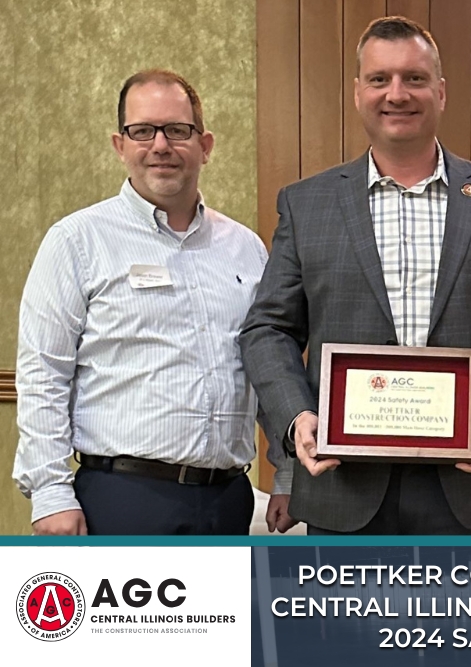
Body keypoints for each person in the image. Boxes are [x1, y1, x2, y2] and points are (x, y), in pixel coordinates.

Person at [240, 16, 471, 535]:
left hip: (469, 486)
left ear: (440, 92)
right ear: (357, 92)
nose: (397, 94)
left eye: (414, 78)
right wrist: (297, 417)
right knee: (339, 621)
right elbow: (267, 329)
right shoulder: (307, 204)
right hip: (343, 487)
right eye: (379, 79)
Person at [13, 69, 292, 535]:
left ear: (205, 145)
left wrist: (286, 470)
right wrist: (49, 492)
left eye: (177, 131)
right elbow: (43, 372)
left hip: (228, 500)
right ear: (120, 145)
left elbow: (266, 367)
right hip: (122, 499)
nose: (160, 145)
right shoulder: (77, 241)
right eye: (142, 131)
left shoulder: (246, 248)